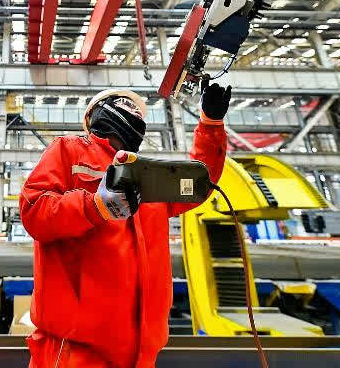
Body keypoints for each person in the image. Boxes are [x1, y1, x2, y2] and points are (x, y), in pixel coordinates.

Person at [19, 84, 232, 368]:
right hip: (76, 350)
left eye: (138, 112)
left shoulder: (150, 177)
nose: (133, 112)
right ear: (95, 115)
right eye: (124, 105)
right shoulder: (69, 151)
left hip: (140, 351)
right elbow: (35, 211)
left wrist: (211, 124)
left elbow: (197, 183)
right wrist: (95, 206)